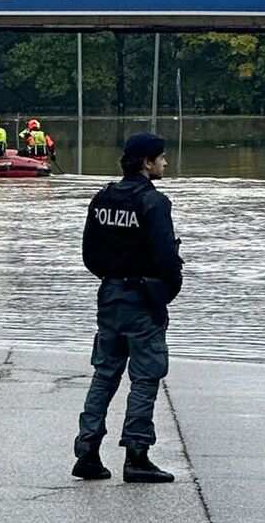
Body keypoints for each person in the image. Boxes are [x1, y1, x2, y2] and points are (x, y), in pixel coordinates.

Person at [73, 133, 183, 484]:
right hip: (142, 299)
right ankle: (137, 454)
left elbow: (89, 254)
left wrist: (112, 276)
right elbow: (166, 257)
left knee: (105, 374)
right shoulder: (153, 202)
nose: (165, 163)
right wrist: (165, 291)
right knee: (146, 376)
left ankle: (87, 452)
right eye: (161, 158)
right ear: (146, 163)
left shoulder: (102, 198)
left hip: (109, 295)